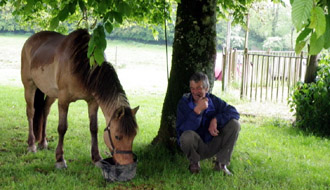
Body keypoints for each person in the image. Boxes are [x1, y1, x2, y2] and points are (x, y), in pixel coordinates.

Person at [176, 72, 240, 175]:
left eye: (199, 88)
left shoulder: (214, 101)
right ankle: (194, 163)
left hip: (213, 141)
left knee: (234, 124)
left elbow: (234, 112)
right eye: (192, 88)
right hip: (195, 145)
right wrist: (197, 112)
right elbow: (182, 130)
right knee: (186, 136)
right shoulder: (184, 103)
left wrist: (216, 119)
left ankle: (221, 164)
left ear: (206, 88)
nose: (195, 92)